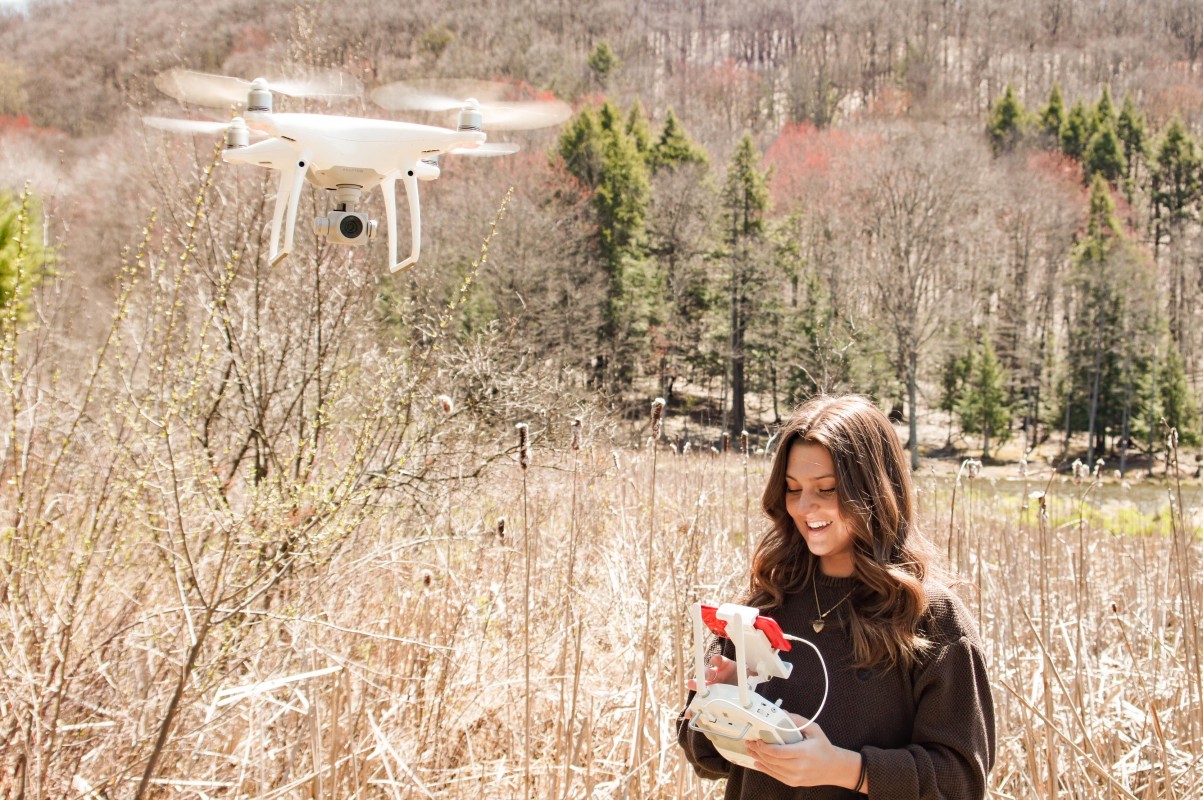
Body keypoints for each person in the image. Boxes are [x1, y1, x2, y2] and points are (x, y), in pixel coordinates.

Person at [678, 395, 995, 798]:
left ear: (875, 491)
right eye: (793, 489)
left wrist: (848, 770)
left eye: (826, 489)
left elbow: (961, 782)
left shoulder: (930, 618)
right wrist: (718, 705)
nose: (805, 507)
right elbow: (703, 756)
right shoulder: (765, 603)